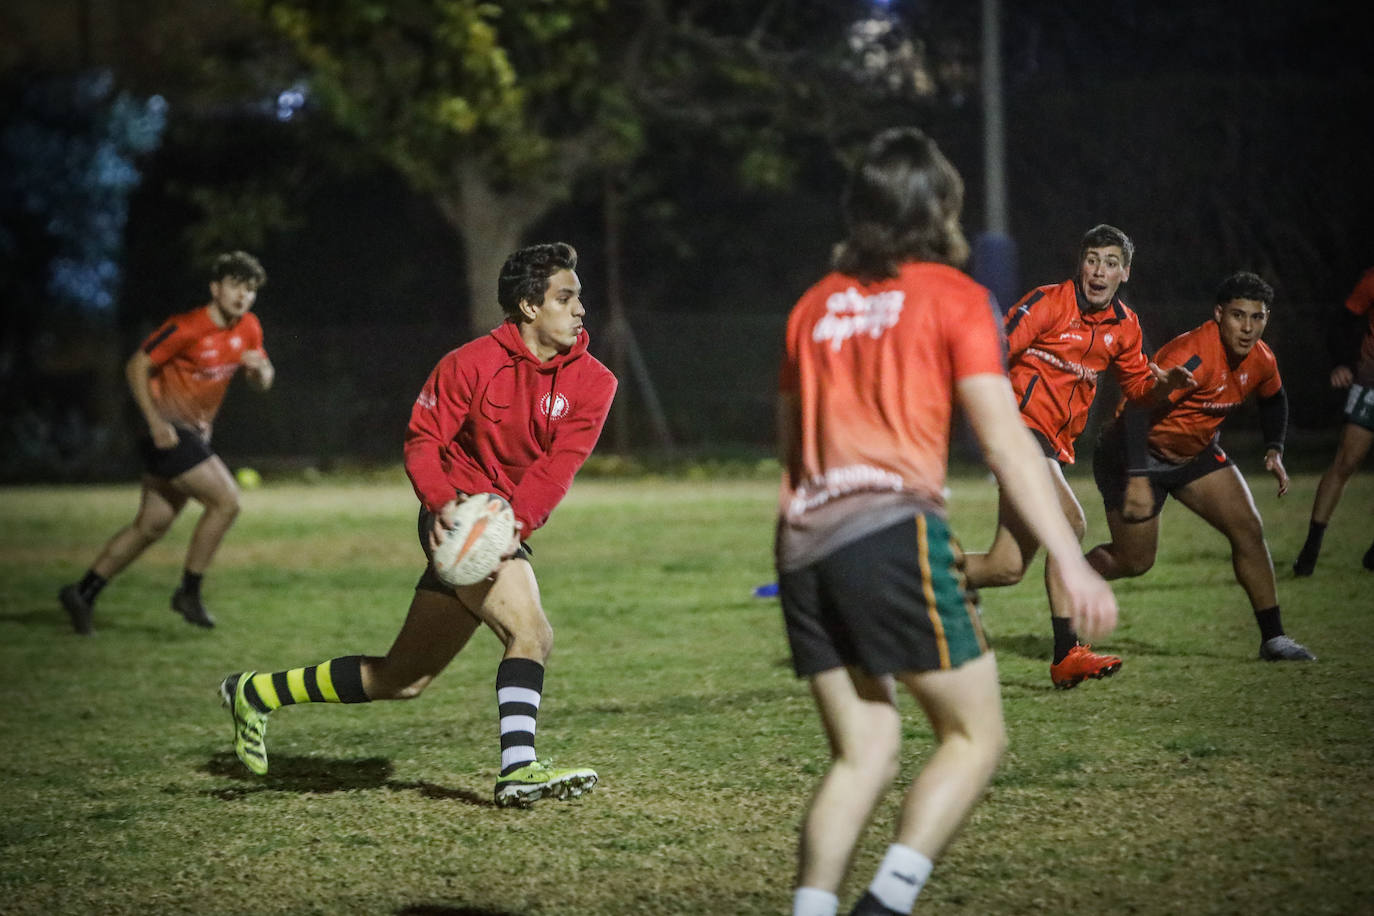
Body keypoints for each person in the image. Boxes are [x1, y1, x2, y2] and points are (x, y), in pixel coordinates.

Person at [777, 127, 1118, 916]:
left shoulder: (811, 307)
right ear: (942, 208)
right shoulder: (956, 298)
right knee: (975, 739)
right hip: (892, 535)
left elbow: (790, 450)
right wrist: (1068, 559)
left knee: (865, 753)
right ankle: (883, 906)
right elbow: (1006, 442)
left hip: (801, 543)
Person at [218, 242, 616, 808]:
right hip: (454, 516)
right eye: (566, 297)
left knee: (402, 678)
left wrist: (515, 523)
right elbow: (424, 440)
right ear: (529, 306)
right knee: (532, 632)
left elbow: (558, 468)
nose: (580, 310)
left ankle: (255, 692)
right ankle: (518, 768)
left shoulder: (595, 382)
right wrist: (442, 502)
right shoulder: (468, 363)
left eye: (579, 299)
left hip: (503, 523)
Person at [961, 224, 1193, 688]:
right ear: (1080, 263)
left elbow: (1137, 389)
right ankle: (1067, 654)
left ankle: (916, 580)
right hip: (1019, 430)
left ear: (1124, 273)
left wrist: (1163, 385)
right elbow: (996, 348)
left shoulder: (1125, 326)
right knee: (1070, 523)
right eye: (1092, 259)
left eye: (1110, 262)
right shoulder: (1048, 303)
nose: (1098, 270)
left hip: (1053, 444)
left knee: (1005, 567)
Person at [1084, 271, 1315, 662]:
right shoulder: (1191, 356)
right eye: (1238, 316)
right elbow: (1136, 413)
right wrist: (1139, 478)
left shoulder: (1261, 359)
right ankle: (1069, 573)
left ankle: (1274, 639)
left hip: (1194, 454)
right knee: (1134, 561)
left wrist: (1274, 448)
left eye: (1256, 318)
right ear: (1218, 314)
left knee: (1248, 529)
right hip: (1132, 451)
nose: (1247, 327)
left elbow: (1274, 399)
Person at [58, 251, 273, 635]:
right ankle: (188, 593)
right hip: (167, 431)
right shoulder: (186, 327)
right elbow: (135, 365)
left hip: (191, 434)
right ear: (215, 287)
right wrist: (154, 422)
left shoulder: (249, 328)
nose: (243, 296)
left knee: (150, 525)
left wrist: (262, 371)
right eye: (235, 285)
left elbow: (262, 382)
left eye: (250, 289)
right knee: (226, 502)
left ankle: (83, 592)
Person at [1292, 267, 1374, 576]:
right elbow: (1341, 322)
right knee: (1347, 461)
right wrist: (1341, 361)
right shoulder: (1371, 280)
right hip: (1371, 383)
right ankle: (1311, 549)